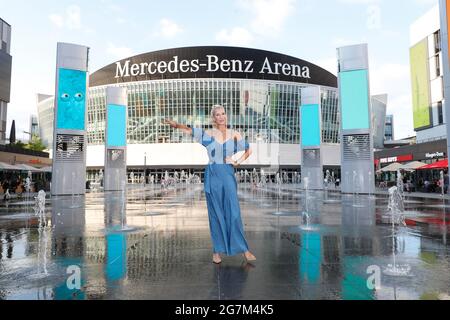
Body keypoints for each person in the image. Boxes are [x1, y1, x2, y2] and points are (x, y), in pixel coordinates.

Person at [164, 105, 256, 264]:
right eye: (218, 115)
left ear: (226, 116)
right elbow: (191, 130)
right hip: (212, 175)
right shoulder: (209, 134)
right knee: (216, 213)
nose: (221, 117)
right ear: (214, 118)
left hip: (227, 174)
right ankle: (217, 251)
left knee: (234, 212)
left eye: (223, 113)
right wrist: (177, 125)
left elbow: (248, 150)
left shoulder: (235, 134)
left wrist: (237, 162)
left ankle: (244, 249)